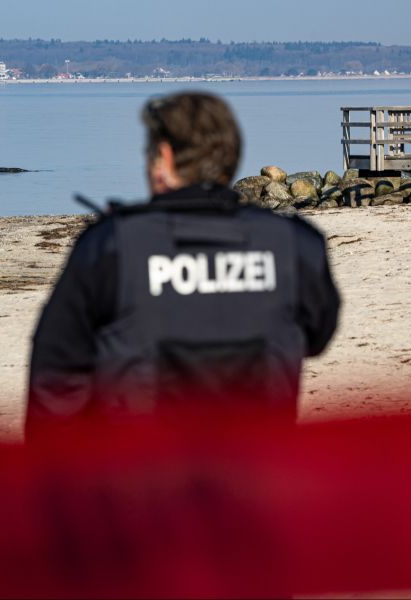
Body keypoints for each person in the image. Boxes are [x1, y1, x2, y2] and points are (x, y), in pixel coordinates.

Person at [26, 91, 340, 440]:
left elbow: (54, 381)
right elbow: (319, 334)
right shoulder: (294, 245)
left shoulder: (111, 248)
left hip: (140, 481)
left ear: (163, 158)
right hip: (261, 477)